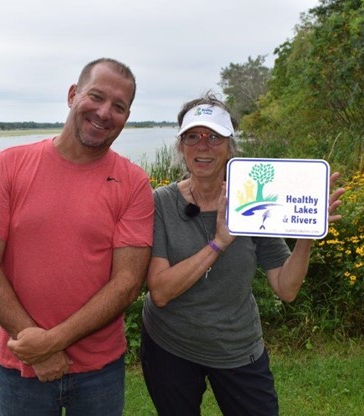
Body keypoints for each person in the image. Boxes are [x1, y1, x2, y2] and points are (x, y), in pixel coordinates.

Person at [0, 57, 154, 416]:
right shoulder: (10, 165)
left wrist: (52, 342)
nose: (103, 112)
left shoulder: (134, 183)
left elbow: (128, 282)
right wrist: (38, 347)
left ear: (127, 117)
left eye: (118, 106)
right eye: (96, 97)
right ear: (72, 95)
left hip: (101, 370)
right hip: (21, 366)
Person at [140, 93, 346, 416]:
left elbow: (286, 288)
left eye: (214, 137)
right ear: (181, 146)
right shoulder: (161, 203)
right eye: (193, 137)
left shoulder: (252, 200)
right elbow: (161, 291)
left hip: (236, 348)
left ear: (230, 147)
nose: (203, 146)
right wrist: (219, 243)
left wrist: (307, 235)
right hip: (170, 345)